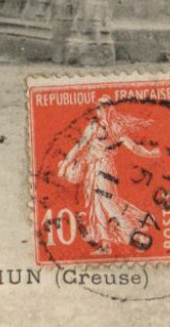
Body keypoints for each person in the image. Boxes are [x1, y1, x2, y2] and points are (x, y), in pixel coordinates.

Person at [58, 95, 159, 254]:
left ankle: (130, 227)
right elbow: (79, 146)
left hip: (104, 168)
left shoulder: (116, 128)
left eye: (105, 106)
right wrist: (65, 164)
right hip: (93, 168)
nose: (102, 110)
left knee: (106, 203)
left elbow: (134, 148)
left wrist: (151, 154)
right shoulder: (94, 126)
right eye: (99, 107)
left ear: (111, 108)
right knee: (97, 204)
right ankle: (106, 244)